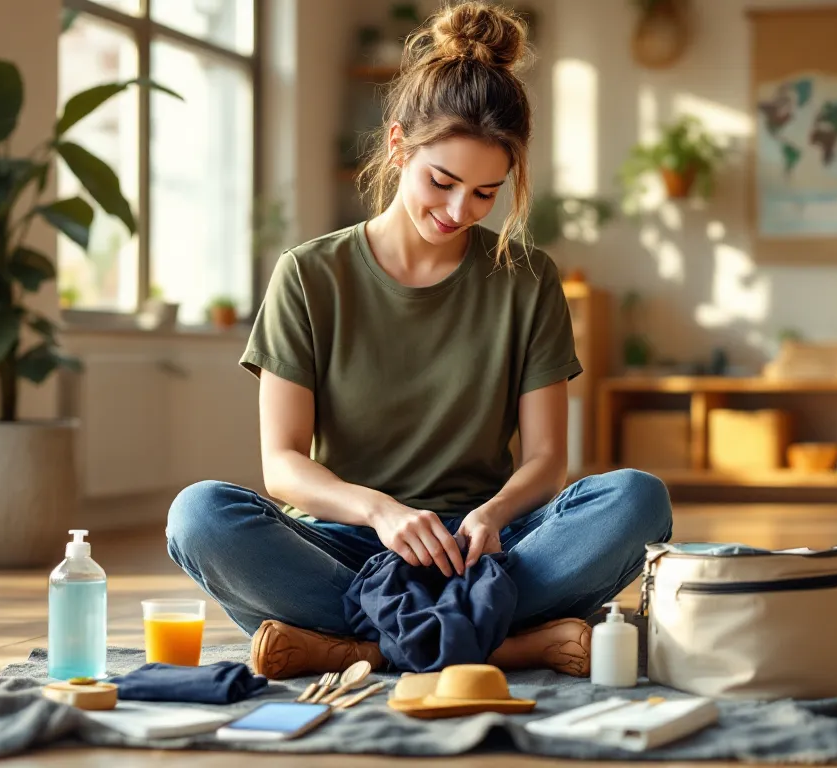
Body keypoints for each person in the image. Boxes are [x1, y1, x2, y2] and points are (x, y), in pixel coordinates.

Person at [166, 1, 672, 680]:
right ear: (400, 144)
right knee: (200, 516)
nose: (459, 211)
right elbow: (283, 464)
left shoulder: (528, 279)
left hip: (485, 548)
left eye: (486, 192)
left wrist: (491, 516)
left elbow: (548, 460)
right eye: (442, 181)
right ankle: (505, 640)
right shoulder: (309, 274)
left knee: (638, 500)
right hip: (349, 544)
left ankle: (358, 649)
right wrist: (382, 513)